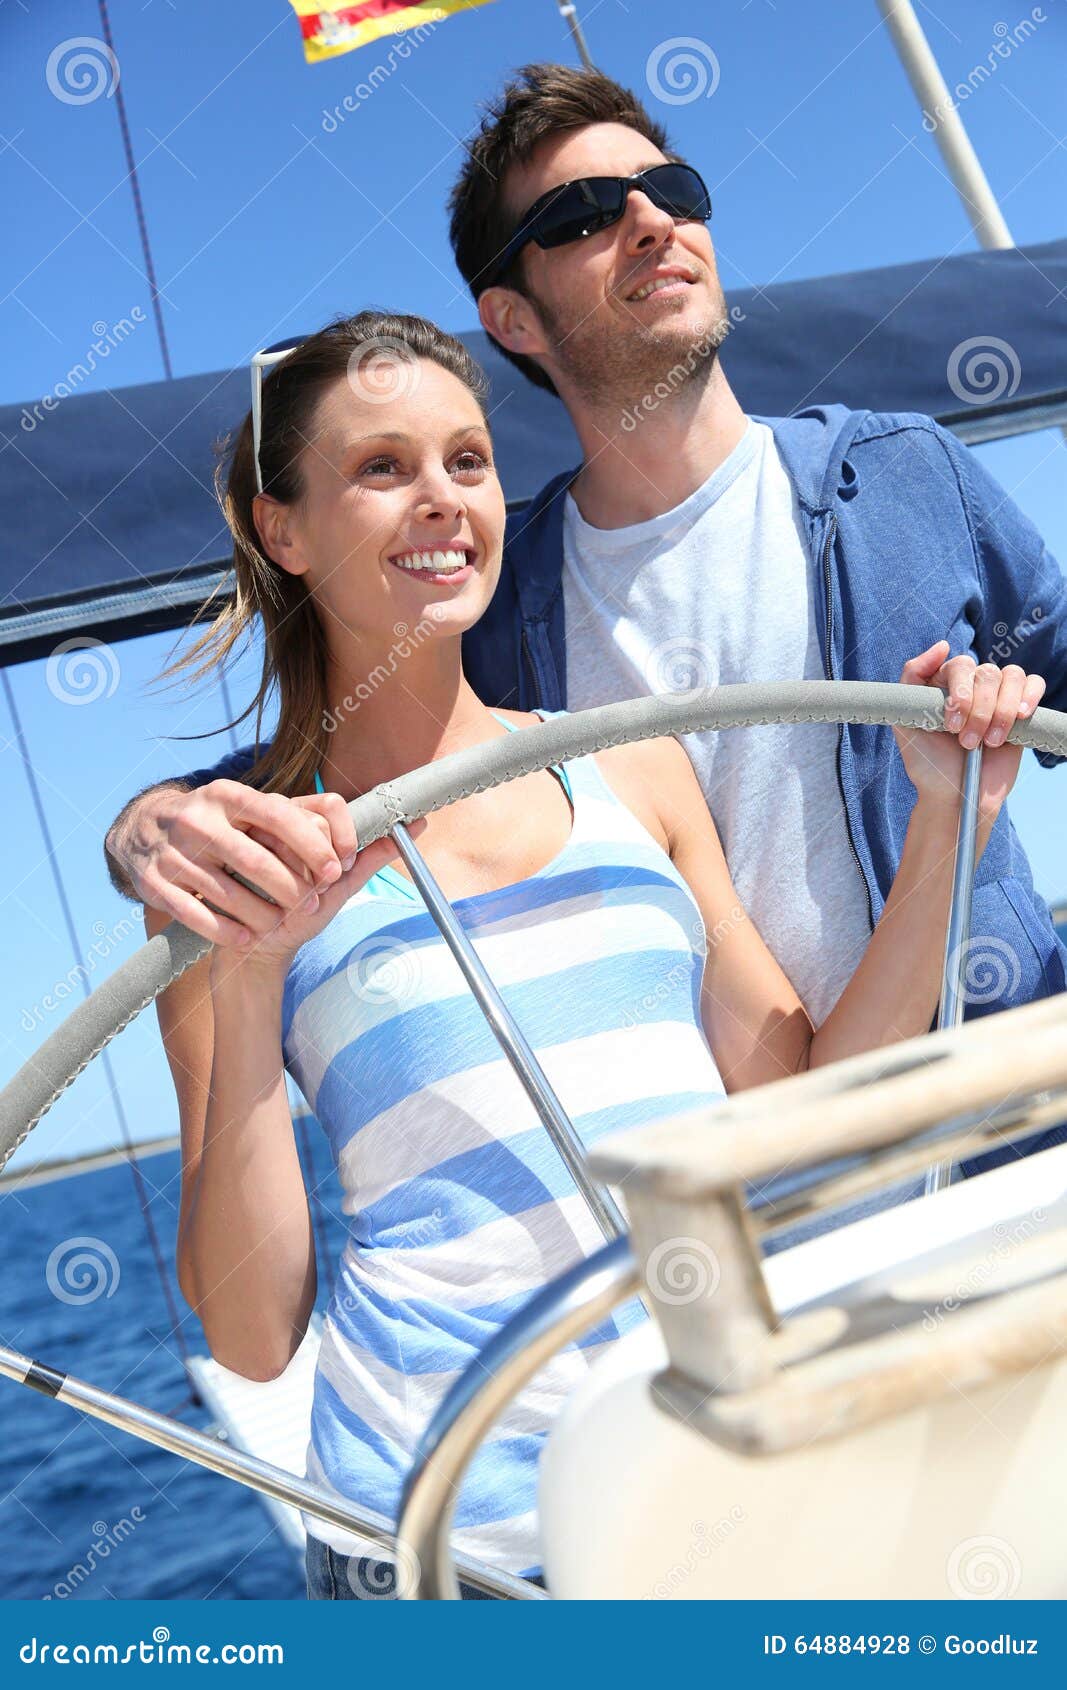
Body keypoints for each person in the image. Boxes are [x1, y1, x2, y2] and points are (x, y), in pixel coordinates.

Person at [144, 310, 1043, 1598]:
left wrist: (954, 819)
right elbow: (249, 1330)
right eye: (381, 468)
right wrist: (242, 963)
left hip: (708, 1485)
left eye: (466, 459)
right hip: (444, 1542)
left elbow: (805, 1110)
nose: (444, 499)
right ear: (278, 529)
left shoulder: (633, 765)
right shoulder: (227, 875)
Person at [106, 66, 1066, 1187]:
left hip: (1019, 1145)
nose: (652, 221)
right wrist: (148, 827)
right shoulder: (494, 602)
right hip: (746, 1224)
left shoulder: (903, 478)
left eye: (670, 188)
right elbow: (304, 772)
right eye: (585, 216)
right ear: (510, 316)